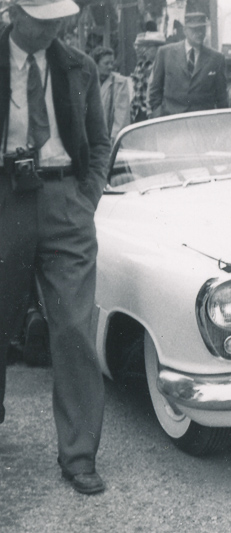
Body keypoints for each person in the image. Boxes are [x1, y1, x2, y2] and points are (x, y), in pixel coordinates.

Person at [0, 0, 111, 495]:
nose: (54, 28)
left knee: (73, 327)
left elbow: (101, 142)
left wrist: (85, 198)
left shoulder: (77, 65)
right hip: (6, 199)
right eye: (42, 19)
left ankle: (79, 455)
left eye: (58, 19)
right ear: (12, 13)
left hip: (66, 200)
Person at [147, 12, 228, 117]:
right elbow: (155, 90)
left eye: (202, 29)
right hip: (171, 120)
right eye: (195, 29)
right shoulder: (165, 53)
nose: (199, 33)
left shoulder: (216, 58)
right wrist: (158, 115)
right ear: (185, 31)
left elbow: (221, 97)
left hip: (202, 123)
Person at [92, 46, 133, 140]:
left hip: (110, 138)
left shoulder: (119, 83)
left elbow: (121, 116)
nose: (110, 67)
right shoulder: (87, 82)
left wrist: (114, 139)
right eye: (106, 63)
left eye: (112, 63)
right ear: (96, 64)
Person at [129, 30, 164, 123]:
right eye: (145, 47)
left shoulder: (163, 66)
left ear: (158, 48)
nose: (145, 50)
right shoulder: (141, 65)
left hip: (154, 114)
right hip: (138, 113)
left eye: (149, 47)